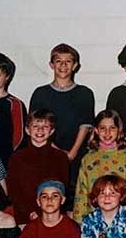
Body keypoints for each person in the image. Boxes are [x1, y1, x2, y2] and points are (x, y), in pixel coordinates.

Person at [30, 43, 95, 210]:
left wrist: (72, 154)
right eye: (58, 61)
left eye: (68, 61)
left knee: (73, 204)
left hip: (75, 157)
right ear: (52, 65)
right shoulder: (41, 93)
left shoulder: (84, 93)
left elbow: (85, 125)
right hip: (48, 154)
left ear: (75, 65)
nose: (63, 65)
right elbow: (36, 126)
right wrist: (55, 150)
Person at [73, 109, 126, 224]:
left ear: (119, 130)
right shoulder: (88, 159)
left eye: (112, 128)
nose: (107, 133)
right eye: (102, 128)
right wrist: (79, 223)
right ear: (96, 130)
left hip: (124, 221)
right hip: (95, 222)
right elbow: (81, 194)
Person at [6, 109, 69, 226]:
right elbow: (13, 190)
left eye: (45, 126)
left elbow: (63, 188)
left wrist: (46, 212)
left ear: (52, 131)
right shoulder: (16, 158)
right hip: (25, 218)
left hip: (53, 216)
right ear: (27, 130)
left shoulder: (60, 157)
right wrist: (29, 212)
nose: (40, 130)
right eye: (35, 126)